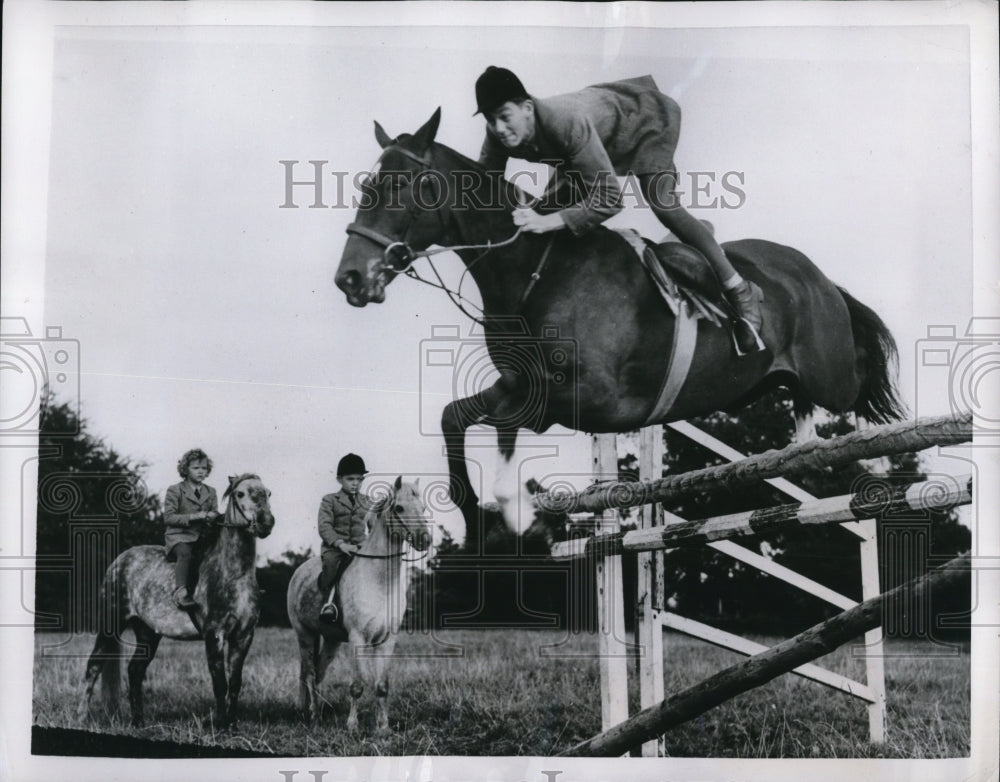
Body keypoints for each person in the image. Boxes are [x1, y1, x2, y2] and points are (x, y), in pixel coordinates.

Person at [474, 66, 765, 354]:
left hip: (642, 120)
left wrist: (547, 221)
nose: (499, 128)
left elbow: (611, 199)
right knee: (546, 210)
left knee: (663, 204)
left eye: (504, 116)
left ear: (526, 107)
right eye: (491, 119)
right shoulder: (499, 133)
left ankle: (739, 289)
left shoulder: (567, 122)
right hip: (584, 149)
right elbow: (484, 188)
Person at [317, 453, 371, 622]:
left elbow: (374, 528)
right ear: (339, 479)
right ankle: (329, 604)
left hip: (360, 548)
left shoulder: (368, 501)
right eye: (350, 479)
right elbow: (324, 526)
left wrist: (369, 544)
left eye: (359, 479)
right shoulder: (329, 500)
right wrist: (341, 544)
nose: (355, 483)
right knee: (332, 567)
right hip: (335, 549)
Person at [164, 448, 219, 610]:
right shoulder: (175, 490)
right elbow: (169, 518)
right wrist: (195, 517)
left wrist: (213, 516)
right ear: (185, 470)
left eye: (203, 468)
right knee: (185, 554)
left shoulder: (211, 491)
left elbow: (214, 511)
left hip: (203, 536)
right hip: (179, 536)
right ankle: (181, 592)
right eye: (196, 468)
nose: (200, 472)